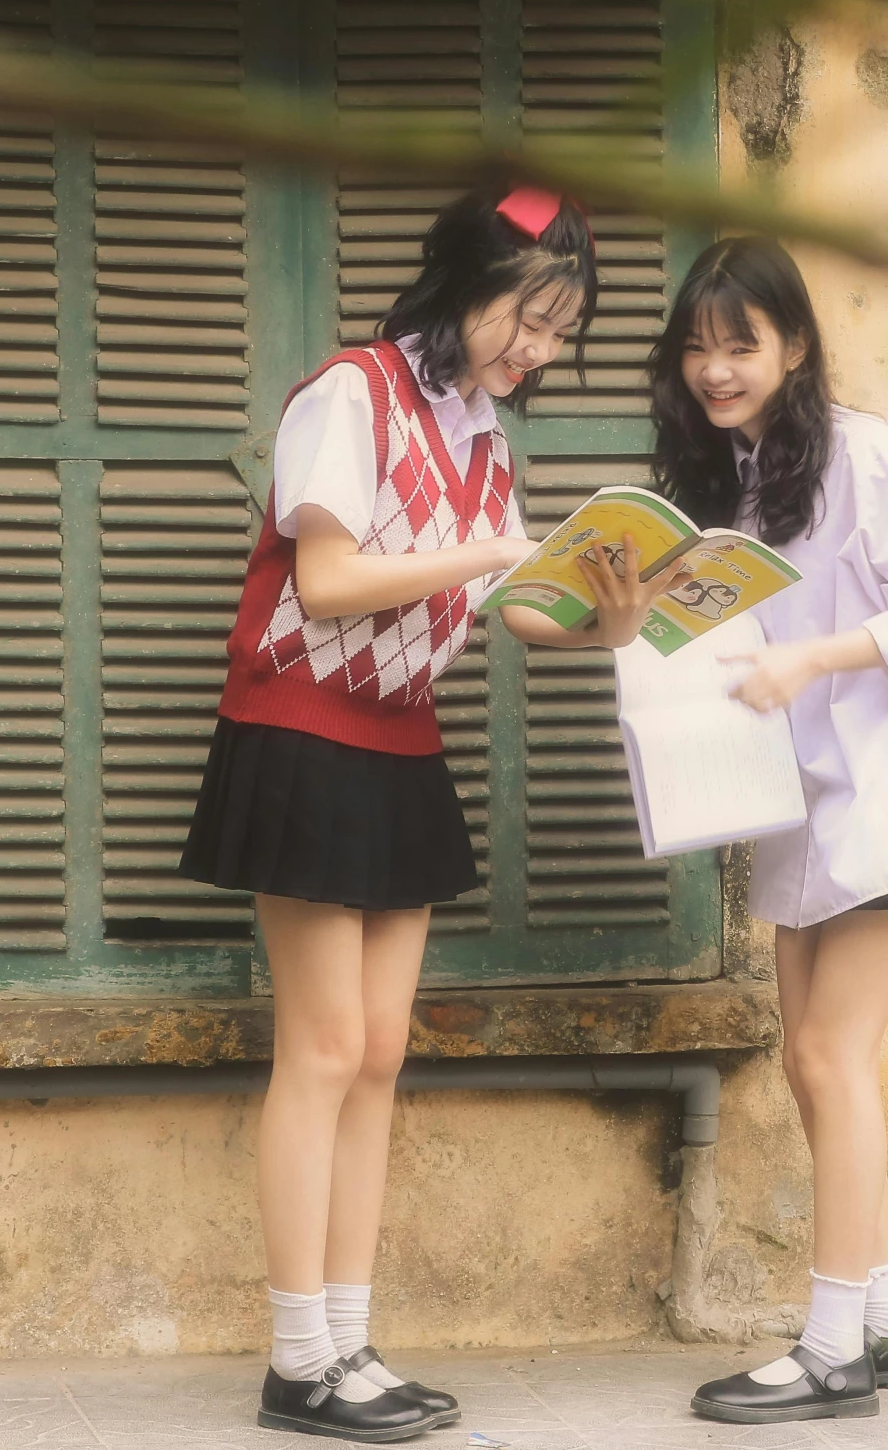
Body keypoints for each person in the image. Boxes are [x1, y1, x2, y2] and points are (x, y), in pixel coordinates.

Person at [180, 182, 688, 1442]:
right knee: (326, 1050)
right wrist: (482, 553)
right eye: (531, 318)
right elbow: (331, 574)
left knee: (384, 1053)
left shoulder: (479, 434)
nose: (540, 351)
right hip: (298, 733)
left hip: (401, 743)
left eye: (562, 333)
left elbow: (509, 606)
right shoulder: (350, 392)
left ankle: (350, 1341)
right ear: (466, 285)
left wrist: (599, 618)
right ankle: (297, 1357)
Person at [649, 237, 888, 1424]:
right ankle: (886, 1319)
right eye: (696, 347)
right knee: (817, 1070)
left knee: (825, 1060)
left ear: (793, 345)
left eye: (739, 344)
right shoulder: (735, 480)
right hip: (799, 806)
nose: (715, 368)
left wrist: (812, 653)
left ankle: (831, 1349)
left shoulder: (866, 452)